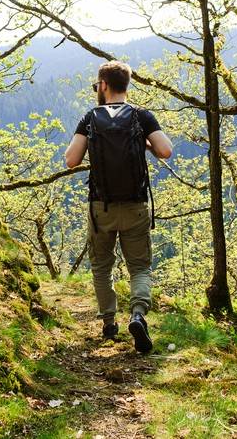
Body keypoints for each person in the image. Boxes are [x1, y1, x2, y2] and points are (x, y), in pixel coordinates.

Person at [64, 60, 173, 354]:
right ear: (126, 85)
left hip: (102, 207)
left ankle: (109, 323)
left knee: (101, 265)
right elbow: (165, 150)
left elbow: (71, 159)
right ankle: (137, 314)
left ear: (103, 85)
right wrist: (143, 143)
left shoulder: (90, 118)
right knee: (139, 266)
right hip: (136, 205)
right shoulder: (141, 116)